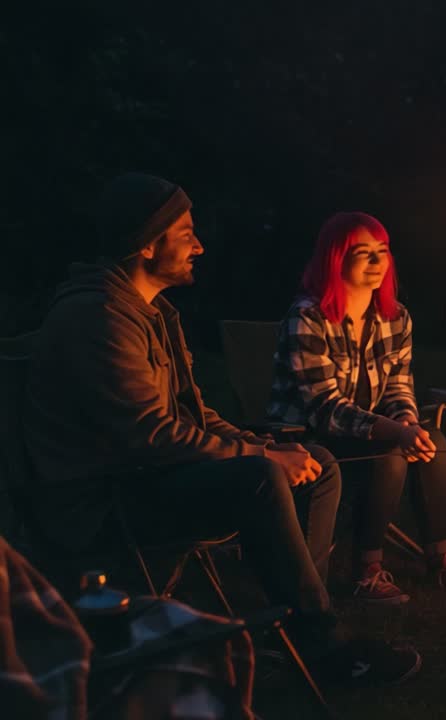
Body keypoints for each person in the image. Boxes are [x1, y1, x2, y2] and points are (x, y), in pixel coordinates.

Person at [24, 173, 420, 684]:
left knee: (316, 462)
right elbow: (153, 435)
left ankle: (299, 613)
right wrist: (262, 460)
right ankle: (323, 648)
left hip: (141, 476)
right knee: (257, 477)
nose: (201, 246)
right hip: (99, 501)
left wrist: (264, 443)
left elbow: (192, 416)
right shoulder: (99, 317)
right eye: (186, 233)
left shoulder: (150, 313)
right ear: (147, 243)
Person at [269, 212, 446, 603]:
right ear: (335, 259)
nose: (377, 262)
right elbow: (325, 408)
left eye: (383, 251)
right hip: (308, 440)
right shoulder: (308, 317)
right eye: (363, 253)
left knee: (434, 441)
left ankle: (442, 559)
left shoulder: (395, 317)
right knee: (391, 453)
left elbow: (398, 385)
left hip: (370, 434)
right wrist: (396, 431)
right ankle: (366, 568)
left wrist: (406, 418)